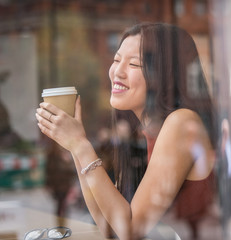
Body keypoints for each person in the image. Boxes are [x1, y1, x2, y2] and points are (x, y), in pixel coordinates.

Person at [36, 22, 218, 239]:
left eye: (134, 64)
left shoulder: (181, 123)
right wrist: (75, 145)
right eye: (116, 60)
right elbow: (109, 226)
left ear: (163, 74)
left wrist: (80, 145)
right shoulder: (149, 132)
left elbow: (130, 231)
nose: (117, 72)